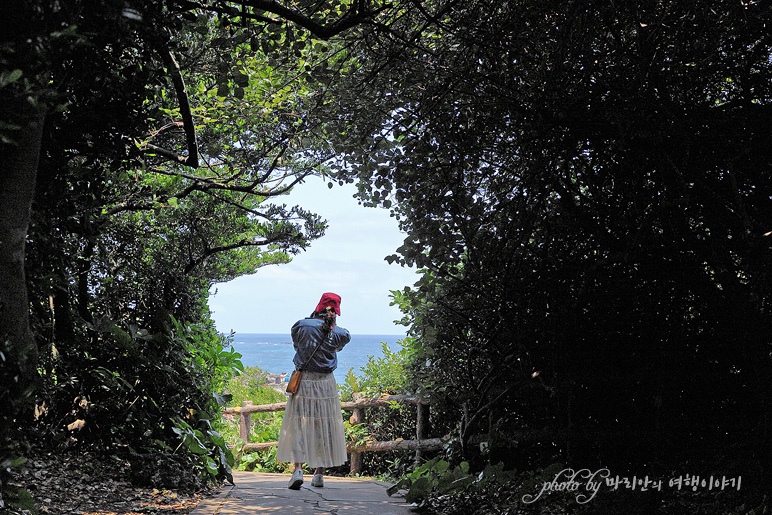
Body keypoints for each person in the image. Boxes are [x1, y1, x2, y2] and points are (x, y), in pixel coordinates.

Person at [277, 292, 351, 490]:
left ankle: (298, 470)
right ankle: (319, 474)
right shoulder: (341, 333)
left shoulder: (300, 326)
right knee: (324, 427)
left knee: (298, 426)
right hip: (326, 384)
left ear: (318, 306)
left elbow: (297, 346)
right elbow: (339, 346)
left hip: (303, 381)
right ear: (336, 311)